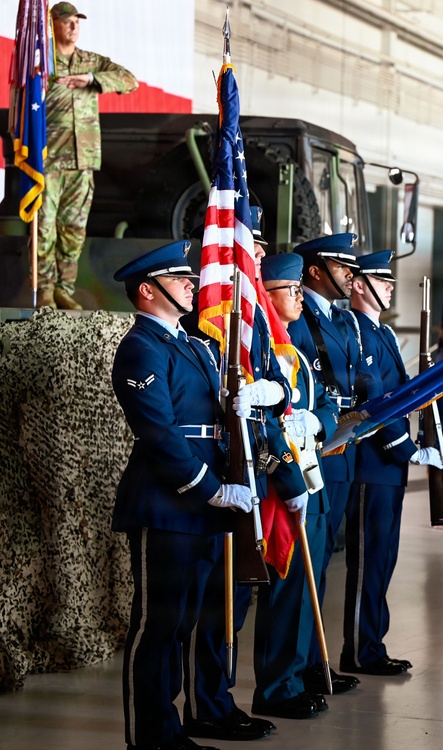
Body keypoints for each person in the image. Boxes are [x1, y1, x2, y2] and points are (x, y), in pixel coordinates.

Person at [110, 240, 255, 750]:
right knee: (156, 626)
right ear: (148, 291)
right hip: (167, 503)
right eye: (180, 281)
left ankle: (170, 730)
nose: (193, 286)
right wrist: (213, 489)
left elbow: (213, 422)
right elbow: (160, 433)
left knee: (184, 623)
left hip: (201, 509)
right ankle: (148, 738)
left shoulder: (193, 345)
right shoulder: (140, 348)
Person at [182, 207, 314, 742]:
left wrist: (287, 478)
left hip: (252, 475)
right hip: (213, 480)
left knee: (233, 598)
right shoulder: (207, 322)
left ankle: (219, 700)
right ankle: (205, 705)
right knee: (214, 602)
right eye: (248, 246)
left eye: (256, 246)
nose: (257, 254)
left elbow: (266, 407)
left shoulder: (251, 319)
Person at [340, 250, 442, 676]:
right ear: (358, 285)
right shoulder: (356, 330)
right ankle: (361, 650)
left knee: (383, 558)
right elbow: (374, 398)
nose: (388, 288)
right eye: (380, 282)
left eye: (389, 282)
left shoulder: (379, 333)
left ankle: (372, 645)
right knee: (367, 561)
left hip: (388, 469)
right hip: (372, 463)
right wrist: (407, 449)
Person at [251, 252, 341, 719]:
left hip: (313, 475)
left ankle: (294, 675)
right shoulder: (262, 351)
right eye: (290, 291)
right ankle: (275, 687)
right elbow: (263, 423)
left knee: (306, 588)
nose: (299, 298)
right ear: (265, 295)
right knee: (285, 589)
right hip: (284, 483)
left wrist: (317, 423)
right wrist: (289, 480)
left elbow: (326, 403)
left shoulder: (295, 353)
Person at [287, 232, 366, 694]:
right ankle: (296, 669)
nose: (350, 275)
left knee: (318, 566)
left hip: (338, 445)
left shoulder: (338, 319)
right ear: (316, 270)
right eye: (342, 267)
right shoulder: (299, 322)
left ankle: (314, 661)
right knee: (304, 569)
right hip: (316, 447)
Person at [40, 2, 138, 310]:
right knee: (44, 228)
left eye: (77, 22)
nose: (73, 27)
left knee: (73, 231)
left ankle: (63, 289)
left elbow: (129, 80)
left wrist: (93, 80)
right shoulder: (41, 61)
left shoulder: (89, 61)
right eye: (67, 22)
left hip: (83, 160)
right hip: (48, 159)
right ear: (52, 24)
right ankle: (42, 290)